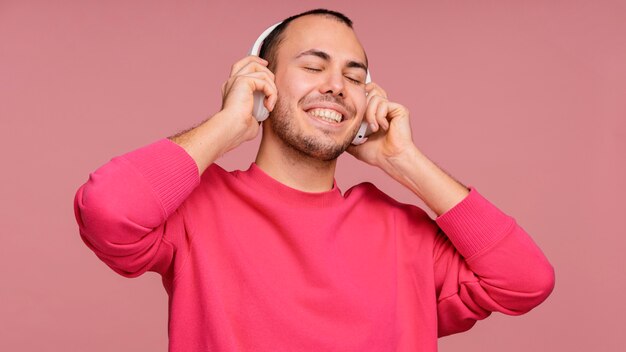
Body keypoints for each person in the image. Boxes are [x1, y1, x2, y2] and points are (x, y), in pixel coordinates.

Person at [74, 8, 555, 352]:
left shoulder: (403, 234)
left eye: (354, 75)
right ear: (262, 83)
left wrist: (403, 160)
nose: (336, 85)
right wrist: (227, 126)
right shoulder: (199, 209)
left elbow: (526, 280)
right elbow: (107, 210)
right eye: (312, 66)